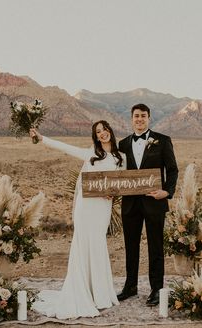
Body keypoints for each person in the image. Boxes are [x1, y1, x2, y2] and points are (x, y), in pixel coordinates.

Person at [29, 120, 126, 319]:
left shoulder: (121, 157)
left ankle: (100, 294)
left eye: (104, 129)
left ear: (110, 131)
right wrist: (42, 138)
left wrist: (115, 193)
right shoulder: (91, 153)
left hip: (103, 207)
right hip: (86, 205)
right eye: (98, 132)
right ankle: (81, 291)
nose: (102, 133)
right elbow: (66, 148)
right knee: (83, 244)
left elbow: (124, 181)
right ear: (96, 136)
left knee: (98, 243)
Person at [117, 103, 178, 306]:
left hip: (155, 202)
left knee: (155, 247)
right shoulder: (123, 144)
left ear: (149, 118)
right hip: (130, 204)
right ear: (131, 118)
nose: (140, 119)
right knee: (130, 246)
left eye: (143, 116)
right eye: (136, 116)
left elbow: (172, 169)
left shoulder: (162, 140)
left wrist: (167, 192)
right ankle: (130, 286)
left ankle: (157, 289)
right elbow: (117, 174)